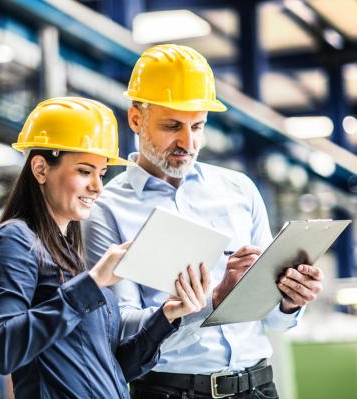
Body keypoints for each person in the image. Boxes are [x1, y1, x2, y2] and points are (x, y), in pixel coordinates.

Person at [83, 45, 323, 399]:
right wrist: (212, 300)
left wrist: (290, 298)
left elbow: (273, 321)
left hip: (257, 387)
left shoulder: (239, 190)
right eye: (172, 126)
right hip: (171, 391)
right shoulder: (107, 209)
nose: (188, 141)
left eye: (198, 126)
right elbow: (122, 334)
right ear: (136, 119)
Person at [0, 97, 210, 399]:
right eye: (85, 172)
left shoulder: (71, 256)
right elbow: (2, 349)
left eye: (101, 174)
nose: (98, 187)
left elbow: (111, 369)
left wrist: (166, 317)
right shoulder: (14, 241)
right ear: (40, 169)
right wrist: (94, 282)